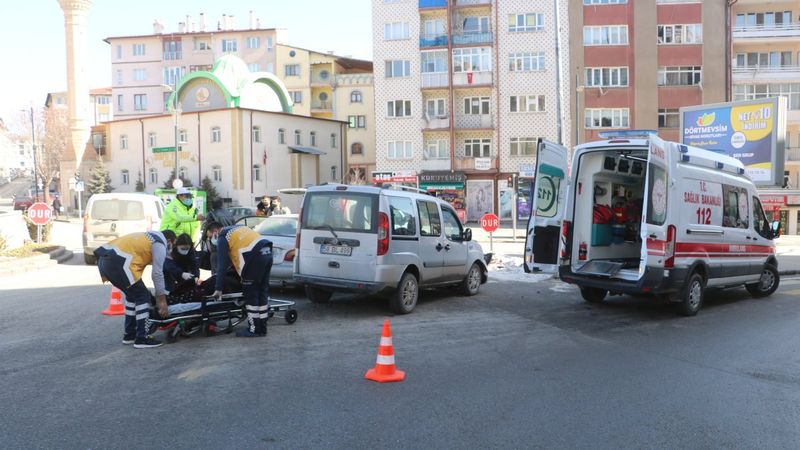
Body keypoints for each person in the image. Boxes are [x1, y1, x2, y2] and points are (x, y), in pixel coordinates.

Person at [93, 230, 176, 349]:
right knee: (143, 296)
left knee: (132, 296)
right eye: (173, 244)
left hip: (104, 262)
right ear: (169, 241)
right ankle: (142, 338)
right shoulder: (159, 243)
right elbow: (157, 273)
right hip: (119, 263)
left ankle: (129, 335)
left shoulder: (148, 237)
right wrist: (161, 300)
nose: (171, 249)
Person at [207, 222, 273, 337]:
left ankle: (254, 329)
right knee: (262, 292)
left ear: (215, 232)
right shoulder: (237, 228)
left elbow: (222, 266)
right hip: (267, 252)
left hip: (253, 258)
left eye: (210, 236)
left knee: (251, 295)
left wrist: (218, 288)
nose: (211, 240)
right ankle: (262, 328)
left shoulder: (223, 237)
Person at [201, 198, 236, 275]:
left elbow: (208, 229)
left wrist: (203, 239)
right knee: (229, 268)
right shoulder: (229, 213)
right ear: (221, 204)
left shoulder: (211, 214)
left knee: (216, 269)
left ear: (212, 205)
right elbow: (234, 226)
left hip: (217, 244)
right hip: (230, 243)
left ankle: (218, 282)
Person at [164, 233, 201, 304]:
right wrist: (181, 273)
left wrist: (196, 276)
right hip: (168, 271)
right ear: (176, 245)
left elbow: (194, 264)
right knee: (169, 289)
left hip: (183, 269)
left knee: (184, 288)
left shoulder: (191, 251)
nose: (185, 251)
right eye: (182, 249)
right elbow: (169, 265)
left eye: (187, 249)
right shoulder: (170, 250)